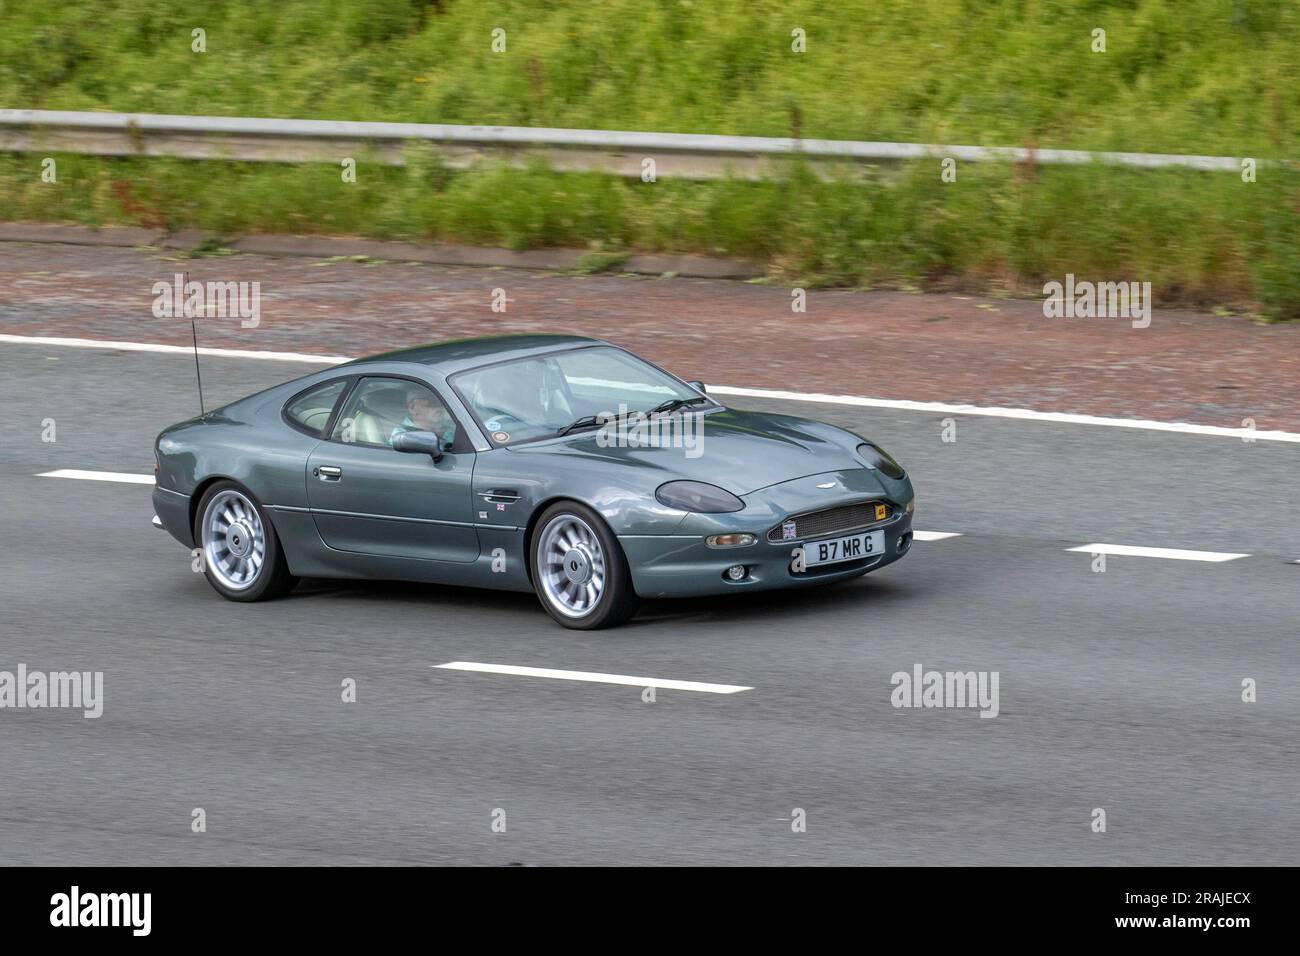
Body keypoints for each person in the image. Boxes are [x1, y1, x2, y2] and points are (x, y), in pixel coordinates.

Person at [391, 390, 457, 448]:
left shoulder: (455, 428)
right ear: (412, 407)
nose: (438, 405)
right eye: (430, 401)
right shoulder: (401, 435)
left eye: (441, 401)